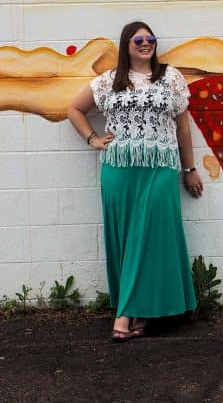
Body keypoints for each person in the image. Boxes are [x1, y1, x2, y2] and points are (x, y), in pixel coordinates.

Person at [67, 20, 203, 341]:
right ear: (126, 45)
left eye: (150, 38)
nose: (146, 43)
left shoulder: (171, 77)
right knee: (128, 241)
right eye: (138, 39)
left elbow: (183, 127)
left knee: (150, 238)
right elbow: (74, 109)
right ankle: (140, 314)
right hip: (119, 170)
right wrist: (93, 139)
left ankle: (125, 314)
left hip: (160, 168)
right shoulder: (108, 81)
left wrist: (189, 169)